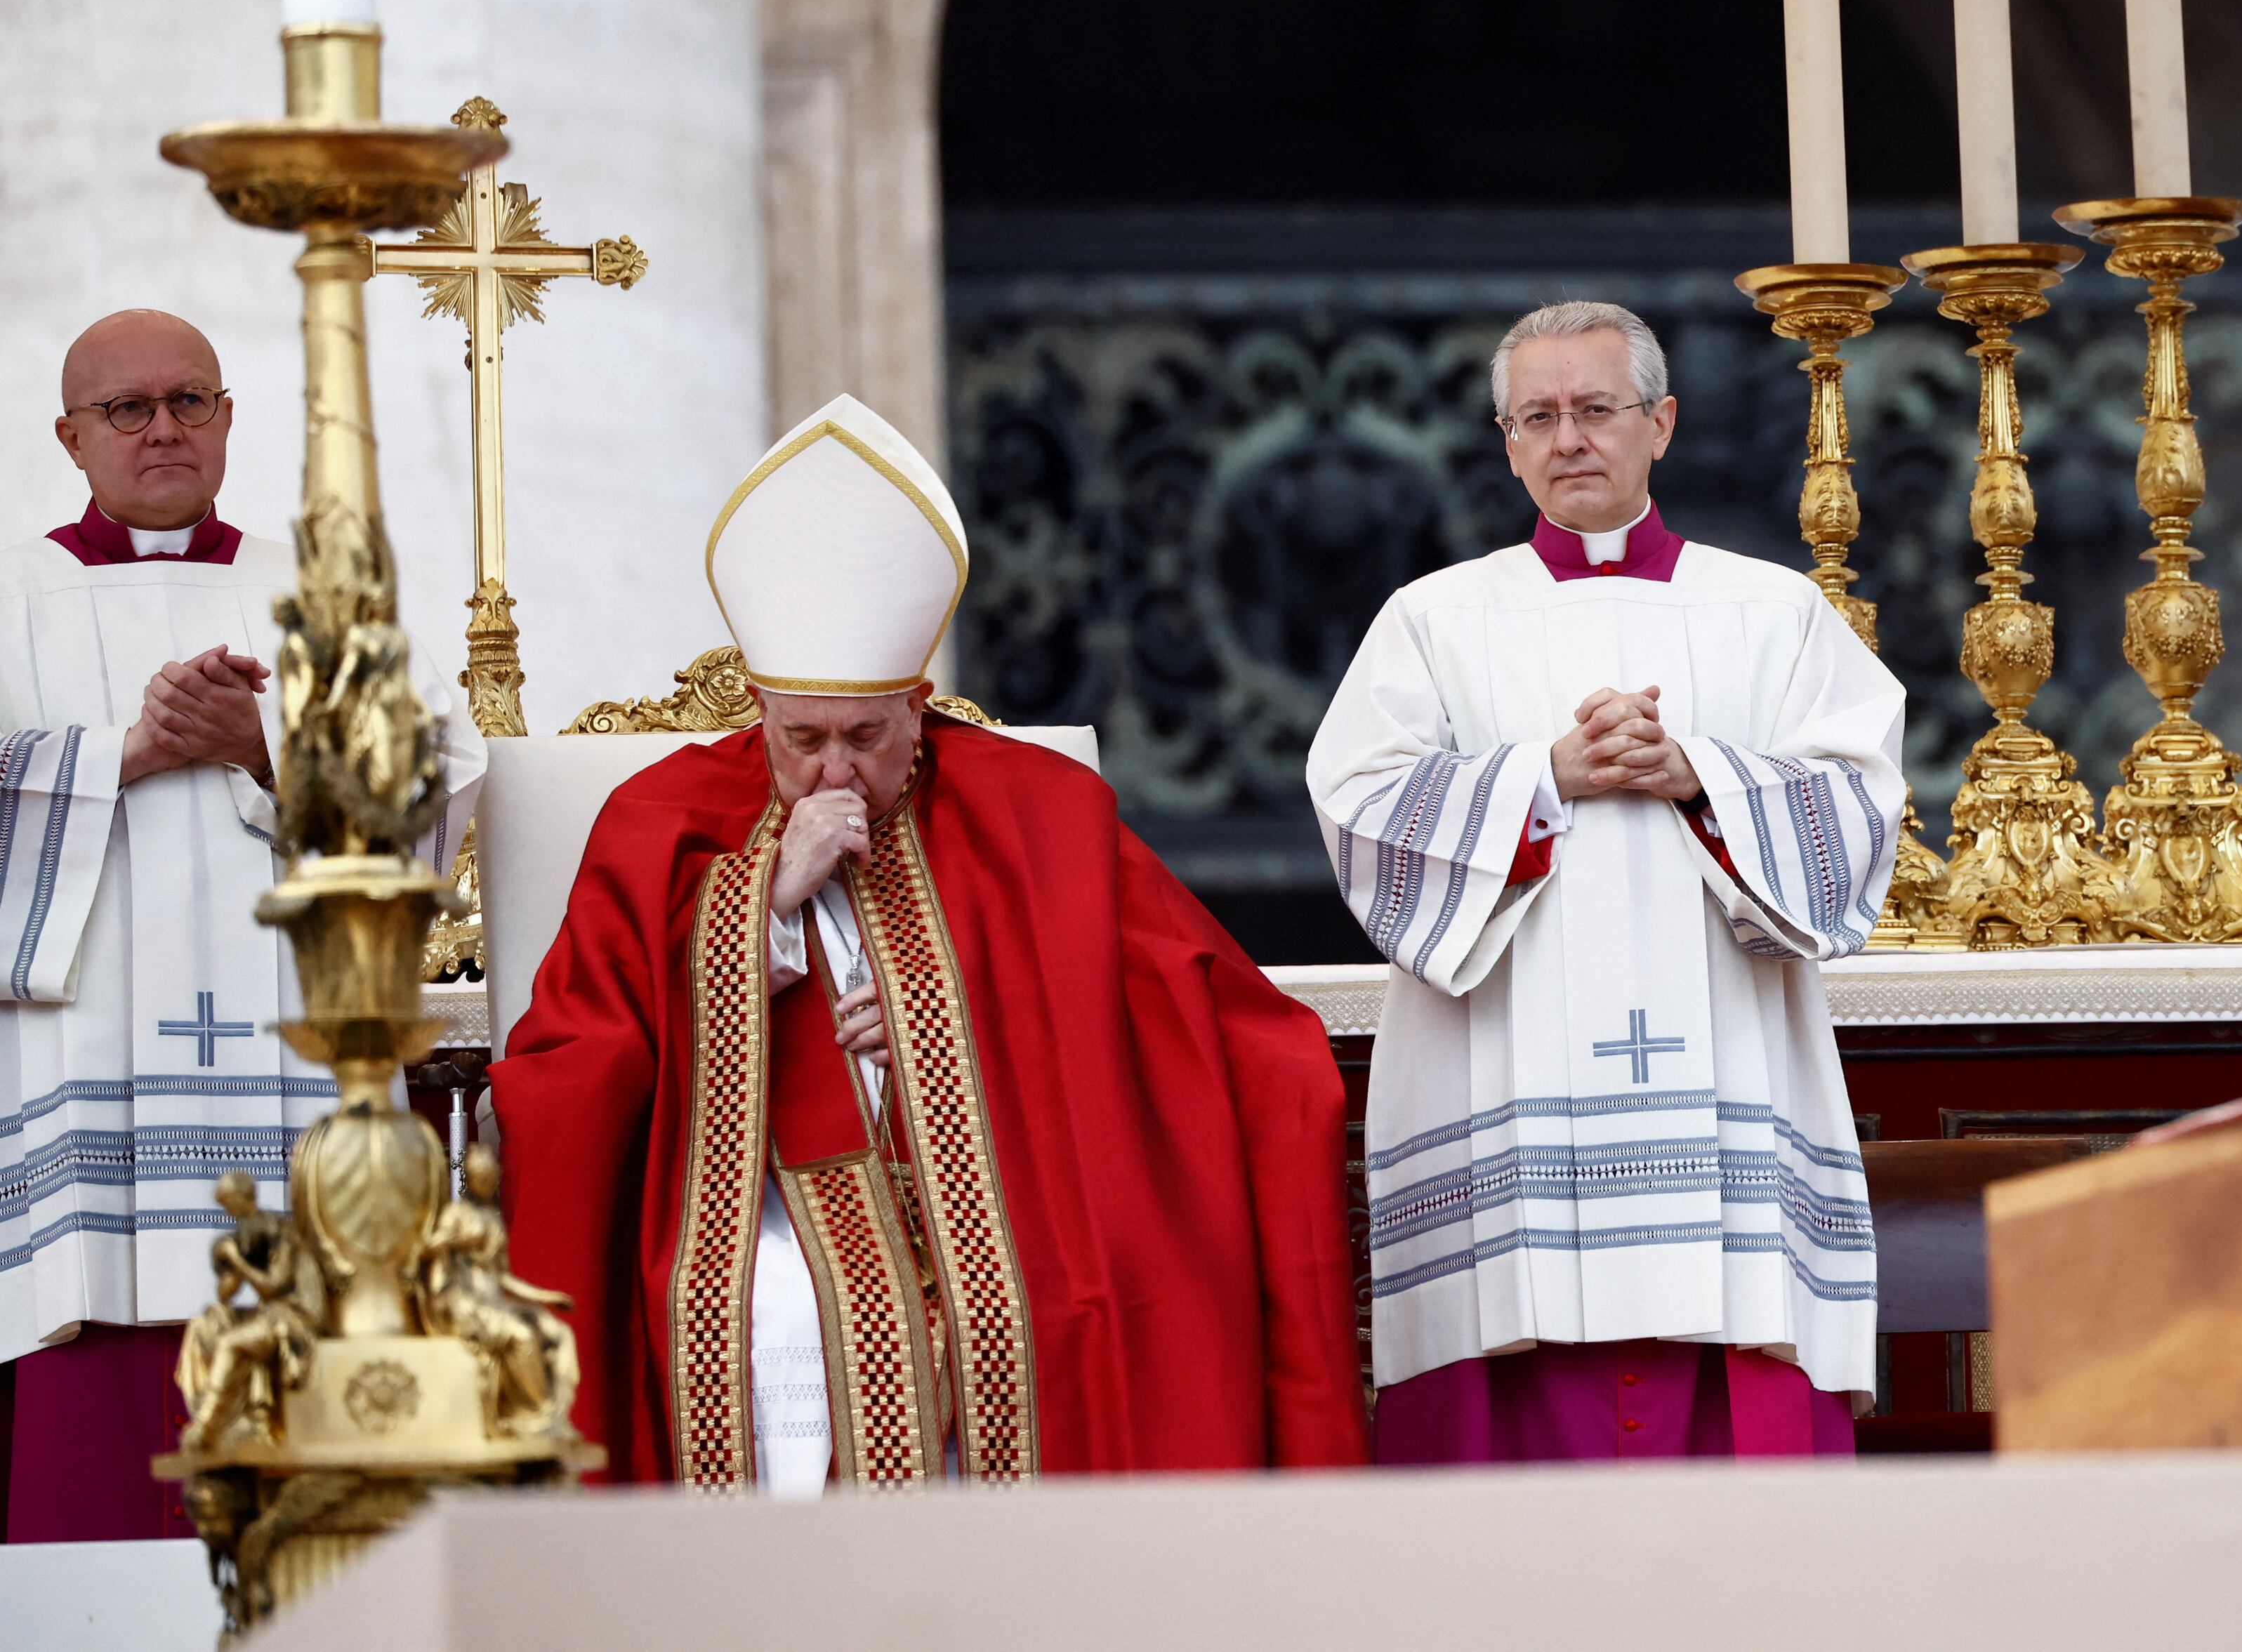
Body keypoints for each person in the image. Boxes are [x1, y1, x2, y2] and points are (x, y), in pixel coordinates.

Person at [493, 395, 1366, 1488]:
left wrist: (954, 1030)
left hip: (1008, 1195)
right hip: (760, 1212)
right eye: (801, 739)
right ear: (758, 710)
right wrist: (756, 911)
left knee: (1054, 1306)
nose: (835, 769)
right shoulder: (662, 820)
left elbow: (1213, 1025)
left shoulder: (1034, 810)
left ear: (921, 707)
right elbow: (567, 1066)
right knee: (780, 1314)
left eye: (866, 735)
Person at [1307, 301, 1904, 1462]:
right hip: (1503, 1082)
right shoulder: (1432, 619)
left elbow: (1859, 807)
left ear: (1662, 423)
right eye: (1538, 415)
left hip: (1730, 1056)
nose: (1568, 437)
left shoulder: (1774, 609)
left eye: (1595, 408)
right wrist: (1543, 776)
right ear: (1507, 437)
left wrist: (1698, 774)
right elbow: (1361, 809)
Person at [0, 312, 296, 1541]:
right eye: (127, 408)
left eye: (190, 398)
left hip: (293, 1056)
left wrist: (269, 746)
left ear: (227, 416)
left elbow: (438, 773)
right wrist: (125, 752)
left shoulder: (318, 585)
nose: (163, 425)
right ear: (71, 437)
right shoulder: (17, 594)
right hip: (91, 1068)